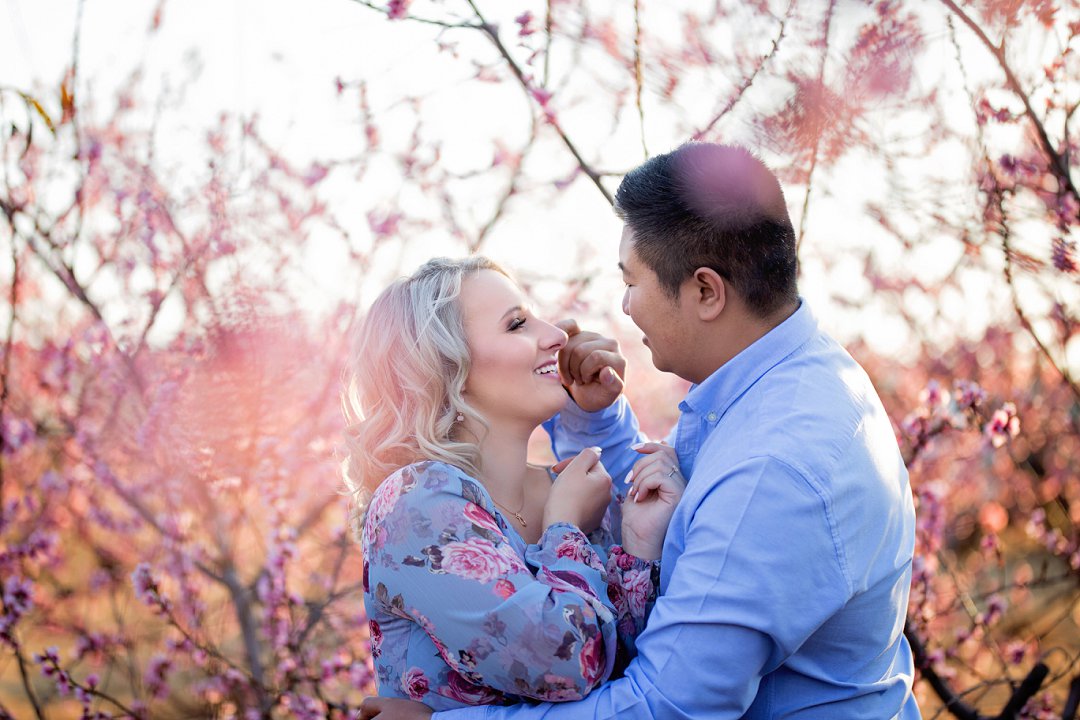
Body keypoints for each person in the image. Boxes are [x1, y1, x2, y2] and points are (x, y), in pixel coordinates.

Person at [359, 143, 921, 719]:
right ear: (446, 369)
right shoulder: (762, 401)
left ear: (705, 291)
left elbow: (661, 699)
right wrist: (594, 423)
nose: (617, 311)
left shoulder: (774, 460)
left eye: (632, 282)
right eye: (519, 322)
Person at [342, 257, 686, 710]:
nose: (558, 335)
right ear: (449, 371)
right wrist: (564, 528)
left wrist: (641, 544)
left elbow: (627, 667)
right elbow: (565, 664)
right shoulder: (415, 501)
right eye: (518, 323)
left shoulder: (568, 490)